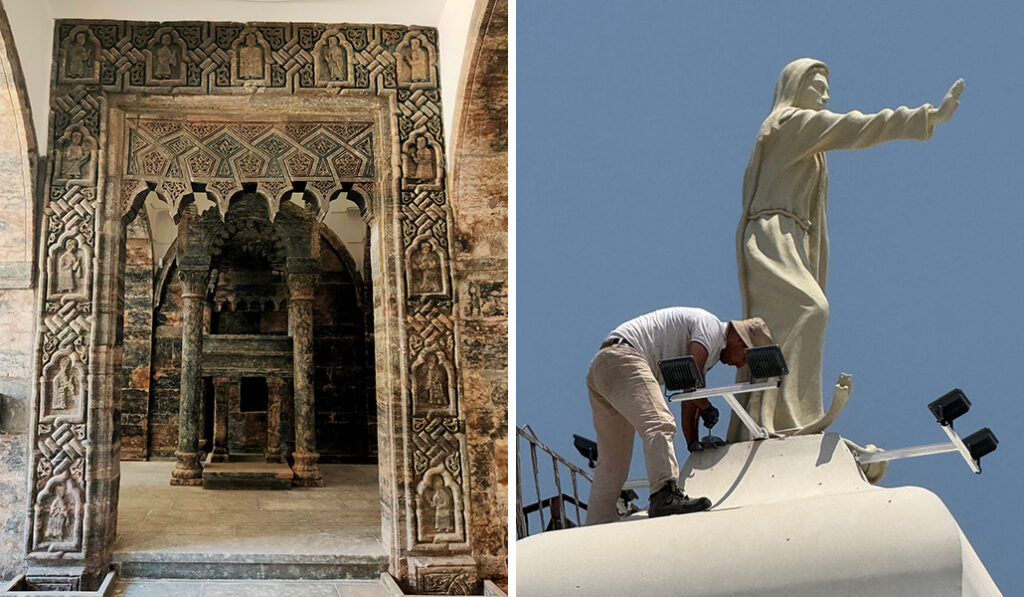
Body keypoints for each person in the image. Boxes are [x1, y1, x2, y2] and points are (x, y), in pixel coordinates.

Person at [732, 58, 963, 440]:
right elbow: (858, 127)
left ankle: (779, 413)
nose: (825, 95)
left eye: (826, 88)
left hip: (788, 236)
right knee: (810, 309)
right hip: (772, 236)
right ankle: (782, 416)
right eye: (816, 86)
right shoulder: (792, 124)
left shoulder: (808, 142)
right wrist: (927, 117)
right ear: (793, 89)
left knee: (791, 322)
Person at [585, 307, 774, 525]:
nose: (741, 364)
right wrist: (706, 408)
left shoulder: (709, 349)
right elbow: (688, 379)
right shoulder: (711, 327)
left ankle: (595, 524)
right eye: (745, 357)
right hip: (624, 357)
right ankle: (664, 494)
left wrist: (692, 441)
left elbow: (689, 395)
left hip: (602, 368)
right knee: (659, 423)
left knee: (612, 463)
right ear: (740, 340)